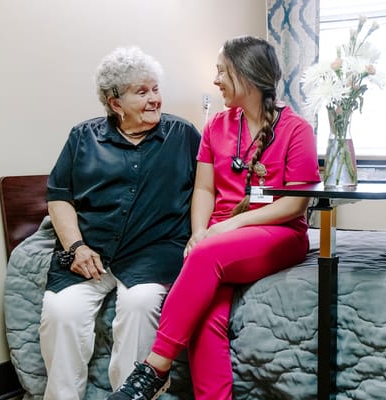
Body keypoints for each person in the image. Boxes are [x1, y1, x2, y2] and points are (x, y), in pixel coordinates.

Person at [108, 36, 320, 400]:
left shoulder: (296, 129)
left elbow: (295, 205)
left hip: (278, 231)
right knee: (205, 319)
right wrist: (199, 231)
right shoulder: (217, 127)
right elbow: (204, 190)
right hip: (221, 239)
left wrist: (226, 228)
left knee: (206, 256)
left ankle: (153, 369)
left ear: (246, 75)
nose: (216, 80)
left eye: (221, 71)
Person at [41, 46, 201, 400]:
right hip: (90, 253)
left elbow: (207, 189)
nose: (154, 99)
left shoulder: (182, 135)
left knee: (141, 304)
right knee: (60, 312)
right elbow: (59, 196)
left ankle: (130, 395)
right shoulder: (83, 137)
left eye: (156, 89)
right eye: (141, 92)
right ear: (115, 103)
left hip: (153, 250)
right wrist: (76, 247)